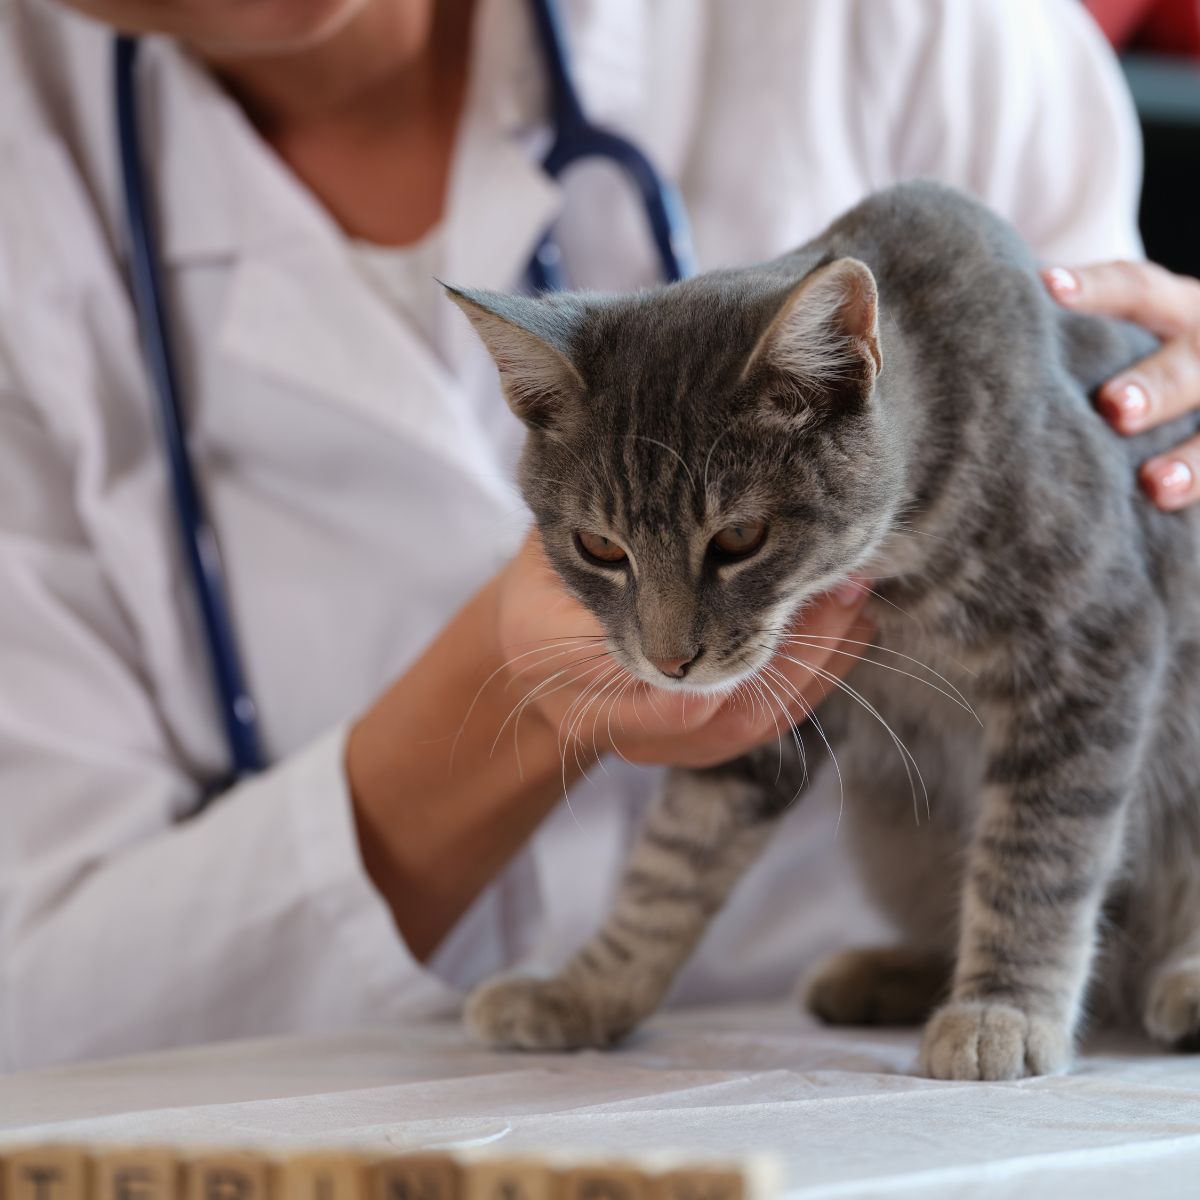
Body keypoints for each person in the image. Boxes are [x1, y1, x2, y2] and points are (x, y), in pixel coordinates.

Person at [0, 0, 1190, 1071]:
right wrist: (507, 681)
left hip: (893, 1087)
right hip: (347, 1099)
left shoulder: (926, 27)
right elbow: (39, 1001)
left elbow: (1098, 660)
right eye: (607, 560)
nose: (668, 644)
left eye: (729, 553)